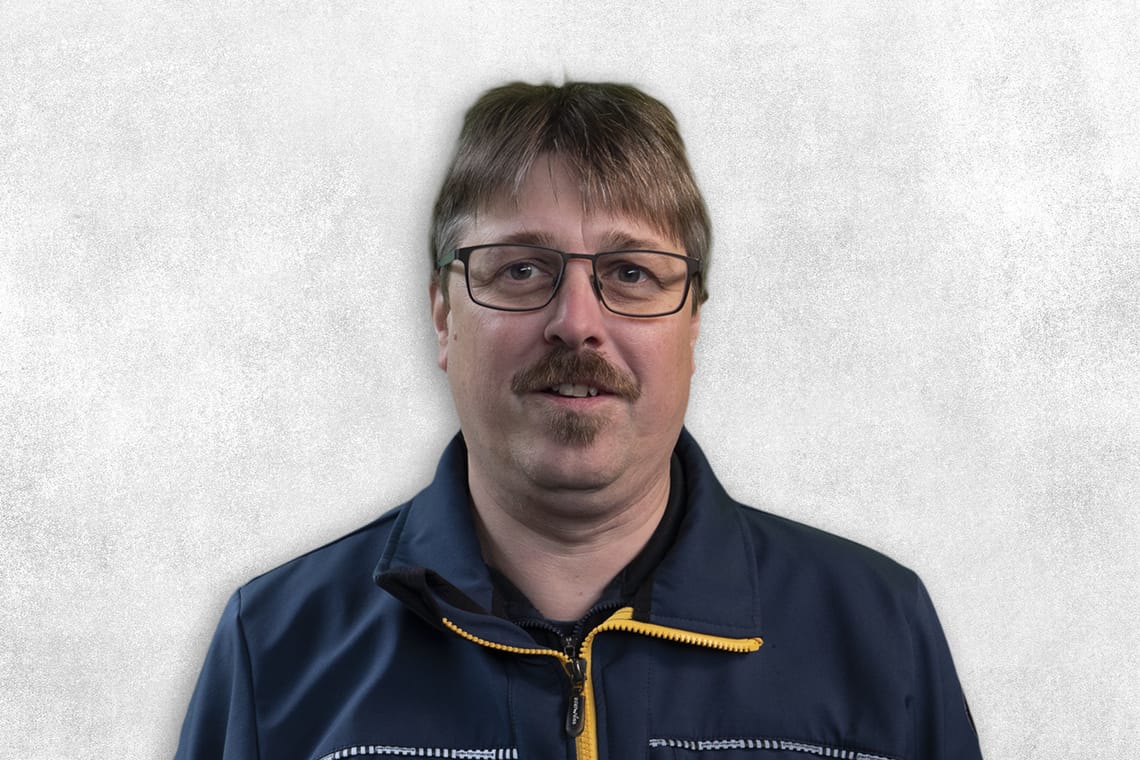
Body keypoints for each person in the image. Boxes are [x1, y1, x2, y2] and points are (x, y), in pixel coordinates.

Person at [175, 81, 983, 760]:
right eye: (522, 269)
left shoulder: (879, 632)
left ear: (692, 325)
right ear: (443, 317)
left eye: (630, 273)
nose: (576, 322)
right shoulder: (274, 646)